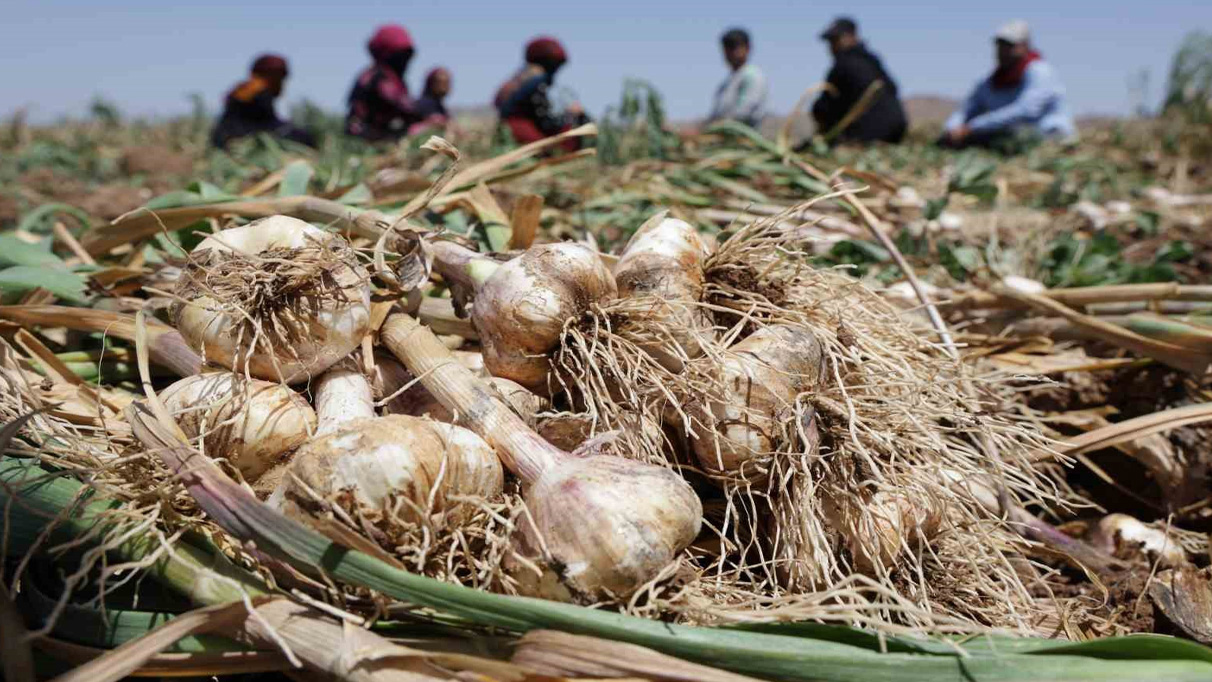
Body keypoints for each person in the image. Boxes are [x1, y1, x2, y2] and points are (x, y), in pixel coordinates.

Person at [941, 20, 1076, 149]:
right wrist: (953, 128)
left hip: (1046, 136)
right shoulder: (992, 80)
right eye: (1000, 46)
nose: (1003, 51)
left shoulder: (1040, 72)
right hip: (1010, 137)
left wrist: (973, 127)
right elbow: (967, 108)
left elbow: (1026, 110)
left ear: (1025, 46)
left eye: (1009, 46)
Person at [810, 17, 907, 144]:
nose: (831, 47)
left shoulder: (843, 65)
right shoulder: (872, 60)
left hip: (867, 134)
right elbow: (893, 87)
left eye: (834, 41)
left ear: (850, 37)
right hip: (896, 131)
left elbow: (823, 108)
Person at [494, 36, 590, 150]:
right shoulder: (536, 79)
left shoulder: (519, 78)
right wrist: (571, 116)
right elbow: (545, 120)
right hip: (524, 135)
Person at [210, 54, 315, 148]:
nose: (283, 85)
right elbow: (265, 127)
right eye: (281, 78)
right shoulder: (258, 92)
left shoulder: (240, 91)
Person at [346, 24, 422, 141]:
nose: (406, 61)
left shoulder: (392, 79)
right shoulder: (380, 78)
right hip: (368, 140)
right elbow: (405, 108)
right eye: (402, 55)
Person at [705, 28, 768, 129]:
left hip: (741, 140)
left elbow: (742, 113)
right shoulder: (727, 83)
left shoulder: (752, 76)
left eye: (734, 47)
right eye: (727, 48)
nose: (730, 53)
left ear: (747, 48)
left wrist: (716, 125)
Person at [408, 67, 452, 136]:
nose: (444, 87)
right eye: (440, 82)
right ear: (431, 83)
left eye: (446, 83)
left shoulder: (440, 107)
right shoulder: (422, 104)